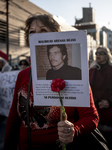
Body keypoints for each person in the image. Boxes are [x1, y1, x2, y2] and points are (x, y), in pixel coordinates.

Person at [3, 14, 100, 150]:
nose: (37, 35)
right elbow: (14, 119)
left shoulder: (76, 73)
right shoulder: (23, 75)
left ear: (56, 36)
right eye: (32, 32)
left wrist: (73, 130)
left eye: (43, 30)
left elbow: (91, 116)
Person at [89, 46, 112, 149]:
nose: (98, 55)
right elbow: (88, 88)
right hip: (95, 107)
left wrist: (109, 102)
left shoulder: (111, 69)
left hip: (109, 110)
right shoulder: (92, 70)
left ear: (107, 56)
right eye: (97, 53)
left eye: (101, 53)